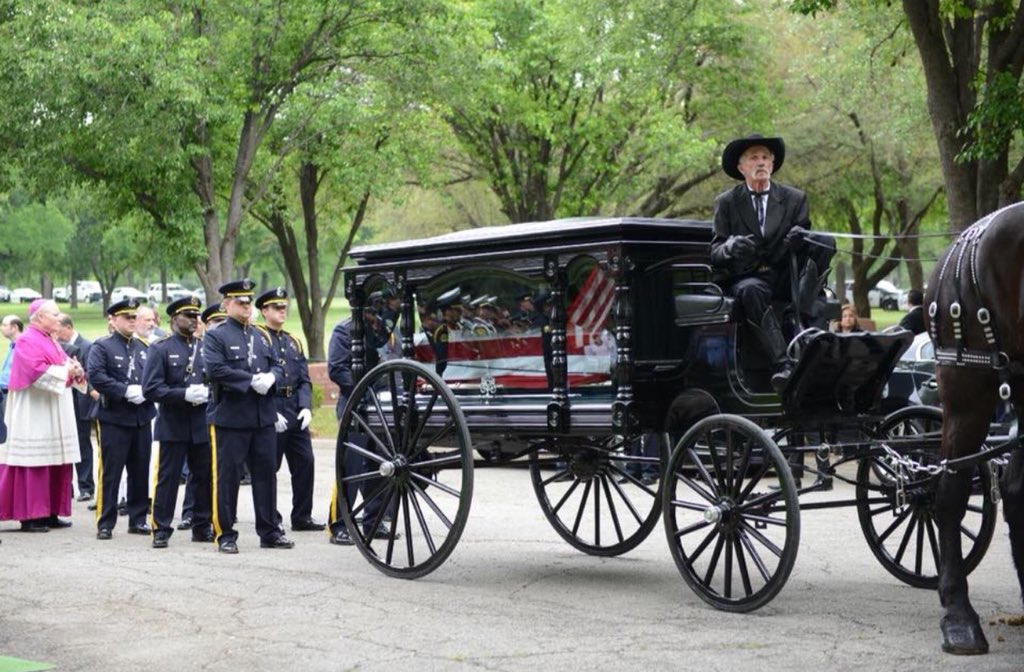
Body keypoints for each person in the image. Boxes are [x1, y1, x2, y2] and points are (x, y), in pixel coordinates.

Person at [709, 133, 823, 391]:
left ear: (772, 165)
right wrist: (730, 247)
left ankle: (801, 321)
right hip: (747, 278)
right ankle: (783, 364)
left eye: (764, 158)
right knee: (751, 289)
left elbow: (808, 244)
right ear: (741, 168)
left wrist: (800, 239)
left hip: (785, 276)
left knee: (825, 242)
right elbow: (715, 251)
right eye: (753, 158)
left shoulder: (795, 199)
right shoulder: (726, 202)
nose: (760, 163)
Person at [202, 279, 293, 554]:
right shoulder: (216, 335)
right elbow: (215, 370)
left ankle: (269, 531)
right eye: (240, 302)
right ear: (226, 304)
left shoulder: (261, 335)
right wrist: (250, 380)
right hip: (231, 417)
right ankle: (226, 534)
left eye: (248, 302)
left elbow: (279, 364)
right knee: (227, 478)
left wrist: (271, 377)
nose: (246, 307)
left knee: (266, 476)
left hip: (262, 417)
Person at [0, 299, 82, 532]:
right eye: (55, 315)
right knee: (34, 462)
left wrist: (75, 370)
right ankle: (31, 515)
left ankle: (50, 512)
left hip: (54, 409)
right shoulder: (27, 340)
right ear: (40, 317)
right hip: (33, 411)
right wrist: (67, 371)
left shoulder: (51, 340)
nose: (59, 318)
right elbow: (36, 372)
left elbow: (64, 365)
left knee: (56, 460)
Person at [141, 296, 214, 548]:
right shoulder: (160, 348)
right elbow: (150, 388)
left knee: (203, 475)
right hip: (173, 422)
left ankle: (201, 524)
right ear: (174, 319)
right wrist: (182, 394)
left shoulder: (205, 347)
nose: (195, 320)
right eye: (189, 316)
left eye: (197, 316)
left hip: (201, 421)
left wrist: (207, 393)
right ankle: (161, 527)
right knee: (168, 478)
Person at [86, 298, 157, 539]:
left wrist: (145, 393)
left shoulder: (144, 348)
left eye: (134, 317)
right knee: (112, 472)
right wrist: (124, 391)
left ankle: (137, 520)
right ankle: (105, 522)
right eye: (126, 317)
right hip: (114, 417)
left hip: (141, 418)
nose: (131, 321)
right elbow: (95, 376)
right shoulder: (102, 346)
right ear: (114, 320)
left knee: (140, 471)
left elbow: (155, 378)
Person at [326, 303, 396, 546]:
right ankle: (339, 524)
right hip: (355, 406)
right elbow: (337, 370)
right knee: (350, 468)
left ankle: (373, 521)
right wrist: (364, 391)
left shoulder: (384, 334)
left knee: (380, 466)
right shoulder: (344, 331)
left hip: (381, 407)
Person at [254, 287, 323, 532]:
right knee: (268, 468)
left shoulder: (292, 341)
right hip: (271, 410)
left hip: (294, 408)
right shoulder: (257, 339)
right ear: (264, 311)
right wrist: (271, 412)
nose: (282, 311)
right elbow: (256, 380)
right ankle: (271, 518)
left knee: (305, 462)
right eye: (276, 307)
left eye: (284, 307)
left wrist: (305, 407)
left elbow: (304, 379)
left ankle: (302, 516)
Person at [54, 314, 99, 501]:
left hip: (82, 402)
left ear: (68, 327)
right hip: (65, 401)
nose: (56, 334)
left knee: (83, 444)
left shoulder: (87, 346)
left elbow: (92, 374)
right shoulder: (57, 347)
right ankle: (68, 488)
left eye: (59, 329)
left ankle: (86, 486)